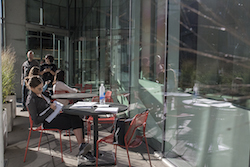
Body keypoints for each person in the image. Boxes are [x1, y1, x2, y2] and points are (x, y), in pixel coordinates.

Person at [25, 76, 92, 157]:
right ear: (32, 88)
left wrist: (53, 106)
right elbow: (36, 121)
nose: (41, 90)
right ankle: (82, 147)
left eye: (42, 87)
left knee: (76, 117)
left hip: (54, 115)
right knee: (74, 121)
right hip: (47, 122)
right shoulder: (31, 100)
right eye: (39, 88)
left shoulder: (41, 94)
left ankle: (82, 146)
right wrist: (51, 109)